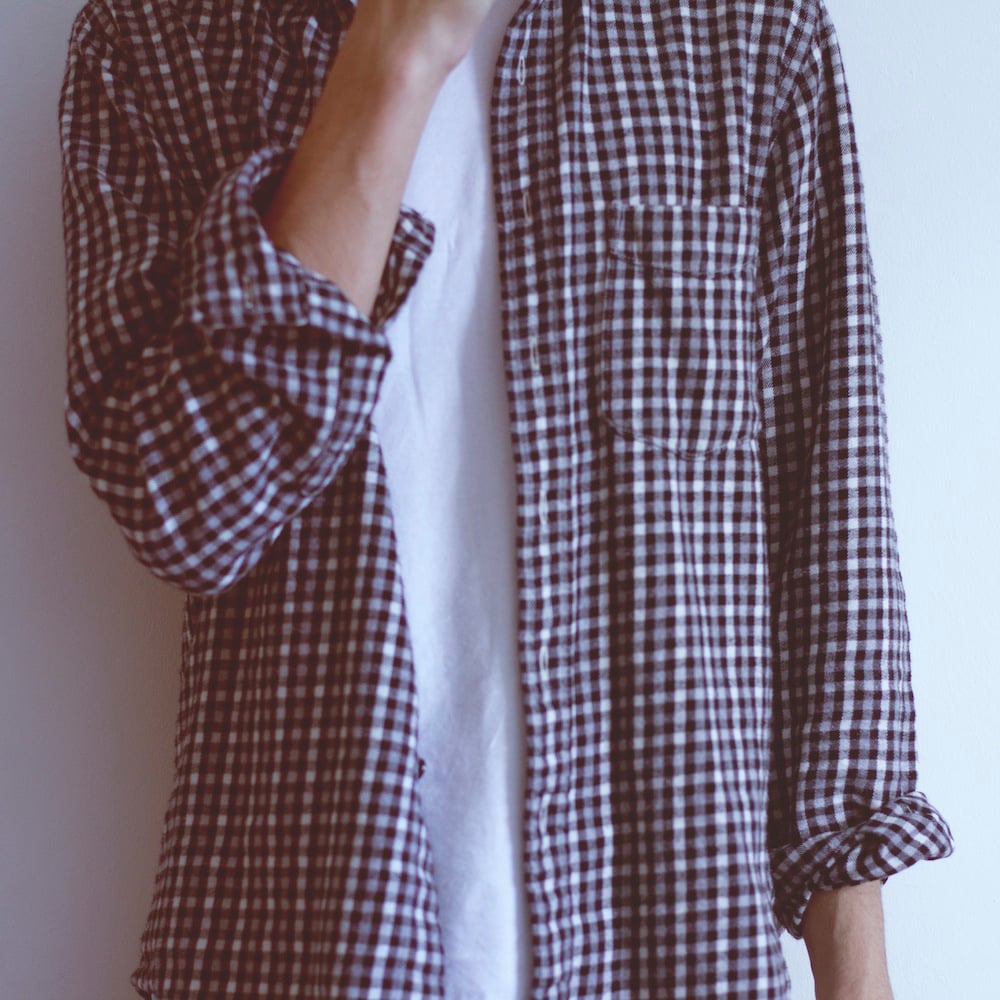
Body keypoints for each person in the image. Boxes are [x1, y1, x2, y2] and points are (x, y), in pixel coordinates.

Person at [57, 0, 955, 997]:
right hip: (308, 940)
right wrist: (394, 56)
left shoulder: (744, 32)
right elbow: (187, 512)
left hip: (663, 944)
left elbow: (828, 509)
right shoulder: (158, 36)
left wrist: (856, 970)